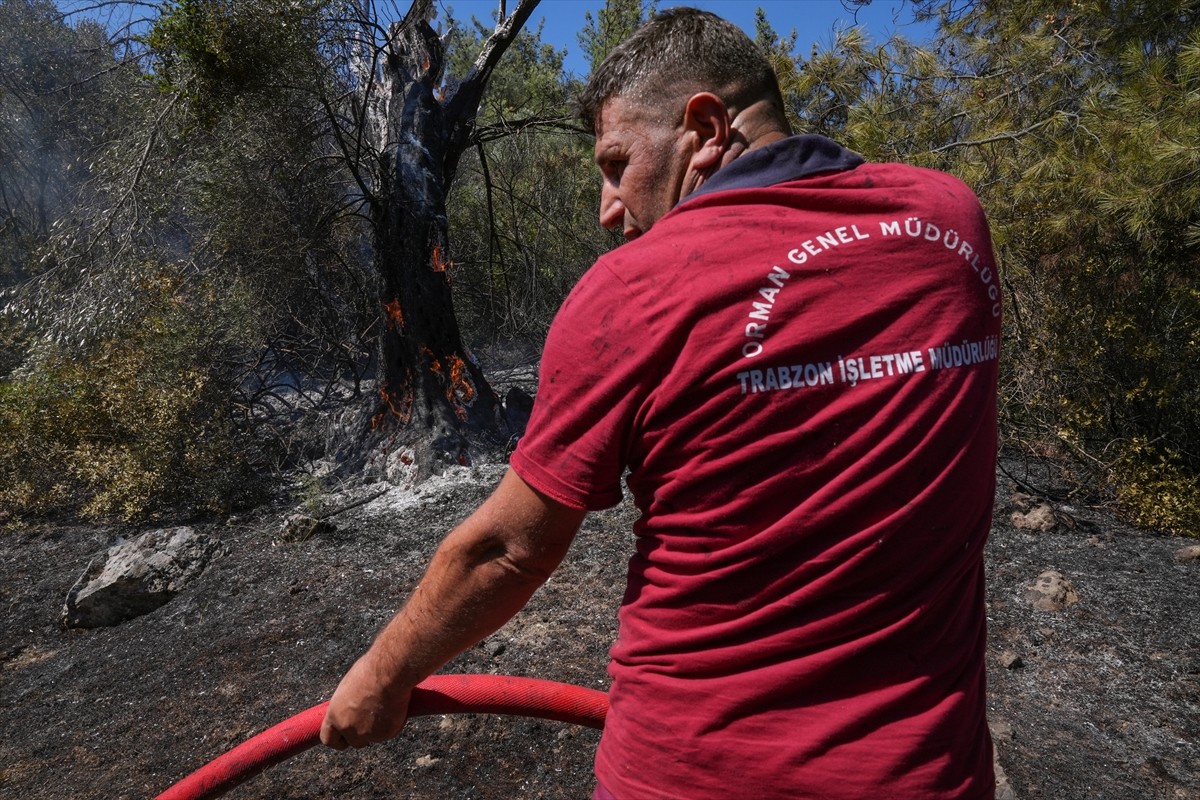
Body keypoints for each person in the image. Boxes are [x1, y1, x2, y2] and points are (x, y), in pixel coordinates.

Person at [320, 7, 1001, 799]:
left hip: (695, 775)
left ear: (705, 129)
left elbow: (508, 550)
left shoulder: (633, 290)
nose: (608, 207)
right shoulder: (951, 223)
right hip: (930, 775)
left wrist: (380, 676)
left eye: (616, 164)